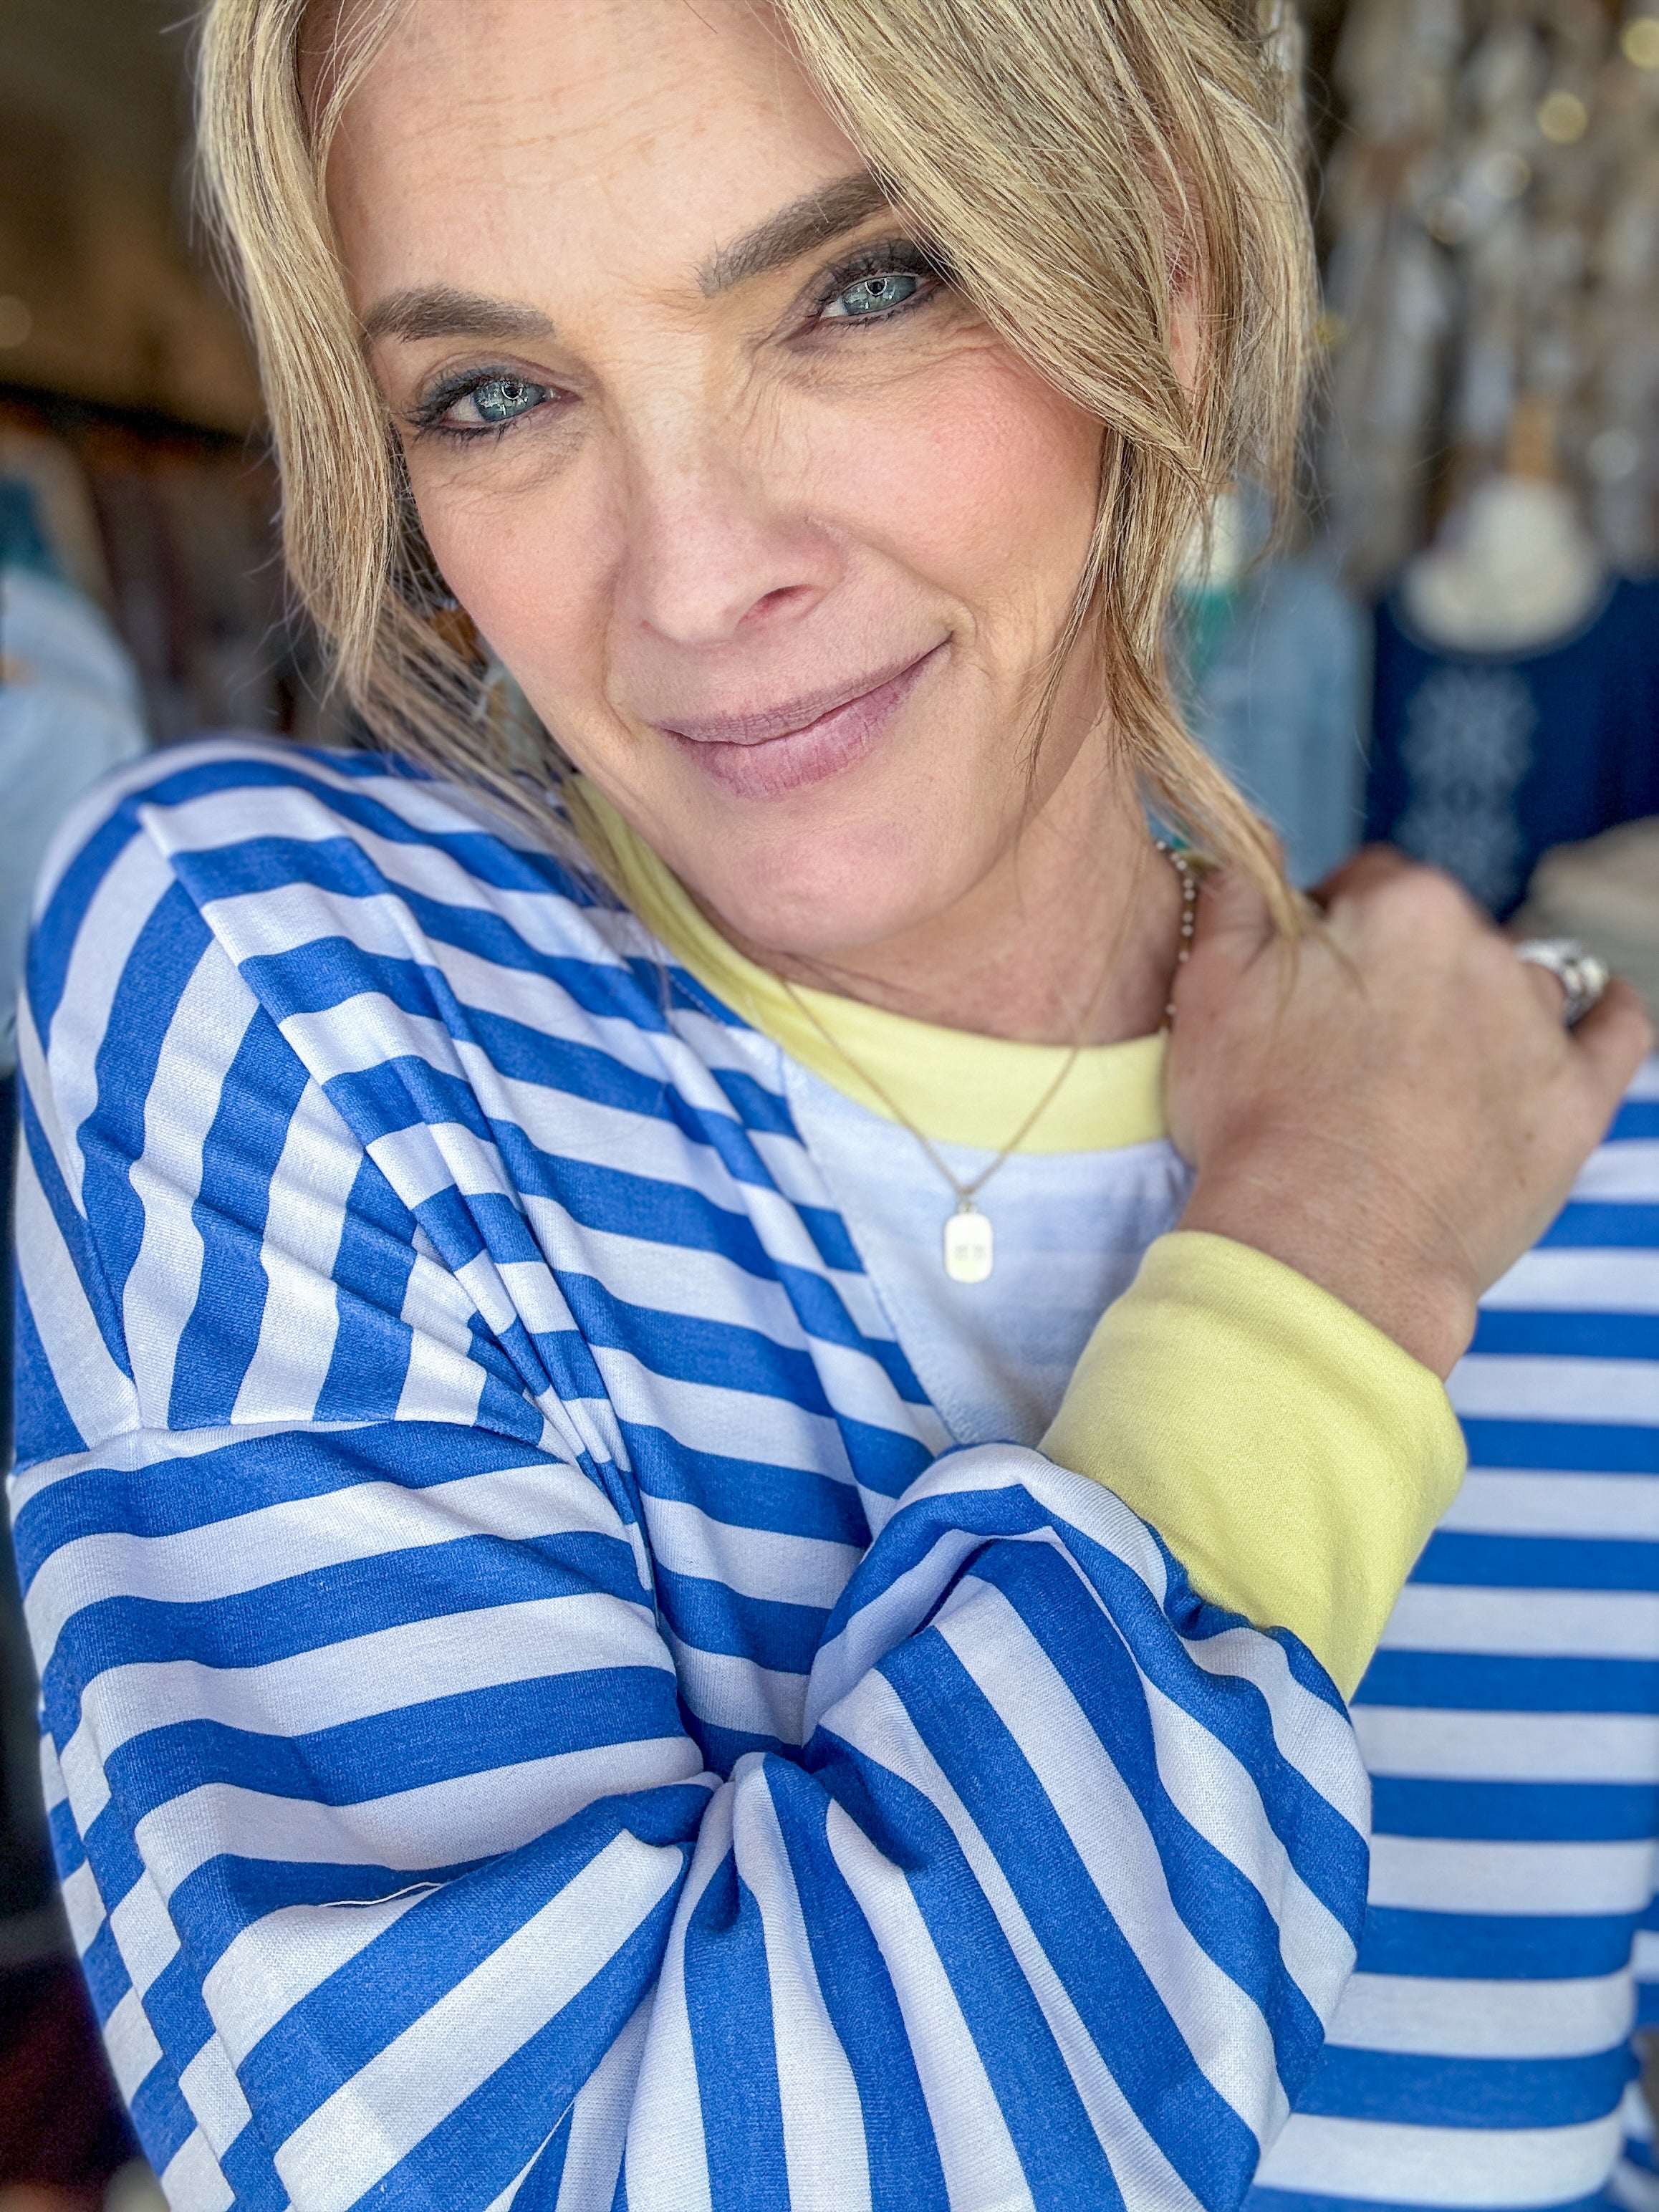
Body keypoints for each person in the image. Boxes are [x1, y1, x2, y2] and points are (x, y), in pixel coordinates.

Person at [9, 0, 1653, 2207]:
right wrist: (1326, 1265)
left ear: (1161, 275)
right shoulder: (297, 990)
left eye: (860, 289)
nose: (696, 581)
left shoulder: (1591, 1180)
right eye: (494, 395)